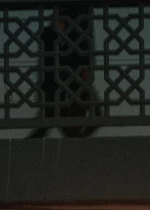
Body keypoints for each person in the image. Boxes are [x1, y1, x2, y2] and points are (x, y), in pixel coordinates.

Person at [29, 3, 99, 139]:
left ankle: (74, 142)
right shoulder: (51, 36)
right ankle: (75, 142)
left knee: (50, 122)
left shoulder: (69, 34)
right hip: (63, 83)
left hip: (70, 81)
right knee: (51, 121)